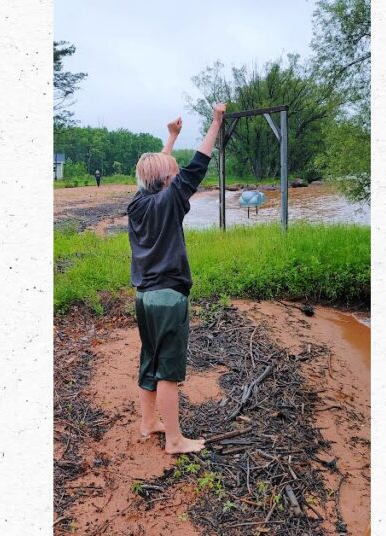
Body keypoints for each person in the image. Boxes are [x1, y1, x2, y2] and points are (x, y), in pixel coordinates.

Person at [127, 103, 225, 454]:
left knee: (149, 359)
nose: (177, 173)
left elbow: (152, 176)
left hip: (144, 297)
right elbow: (199, 163)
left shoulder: (137, 204)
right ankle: (174, 440)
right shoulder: (170, 199)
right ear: (168, 181)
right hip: (168, 297)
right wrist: (215, 122)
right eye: (173, 172)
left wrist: (170, 138)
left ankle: (147, 423)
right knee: (168, 369)